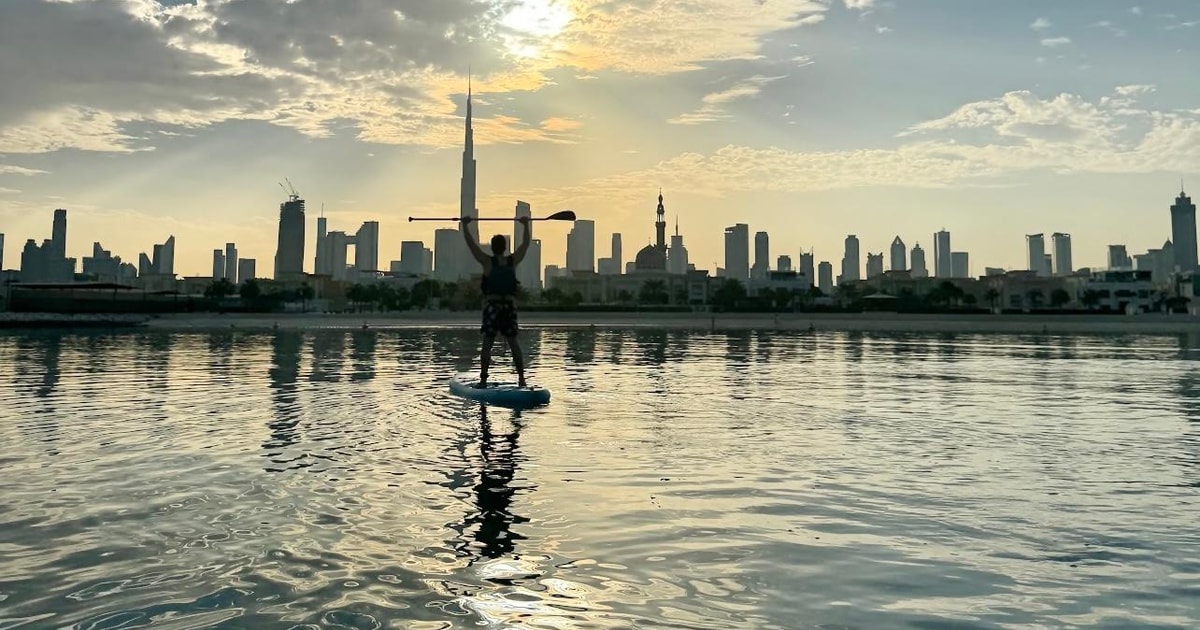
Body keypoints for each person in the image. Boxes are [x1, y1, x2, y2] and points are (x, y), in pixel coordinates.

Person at [462, 215, 532, 388]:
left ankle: (483, 380)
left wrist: (464, 226)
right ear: (505, 247)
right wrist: (525, 225)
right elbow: (525, 244)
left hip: (492, 307)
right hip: (508, 307)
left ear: (492, 248)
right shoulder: (512, 261)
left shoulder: (487, 261)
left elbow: (472, 246)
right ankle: (522, 379)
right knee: (513, 342)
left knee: (487, 343)